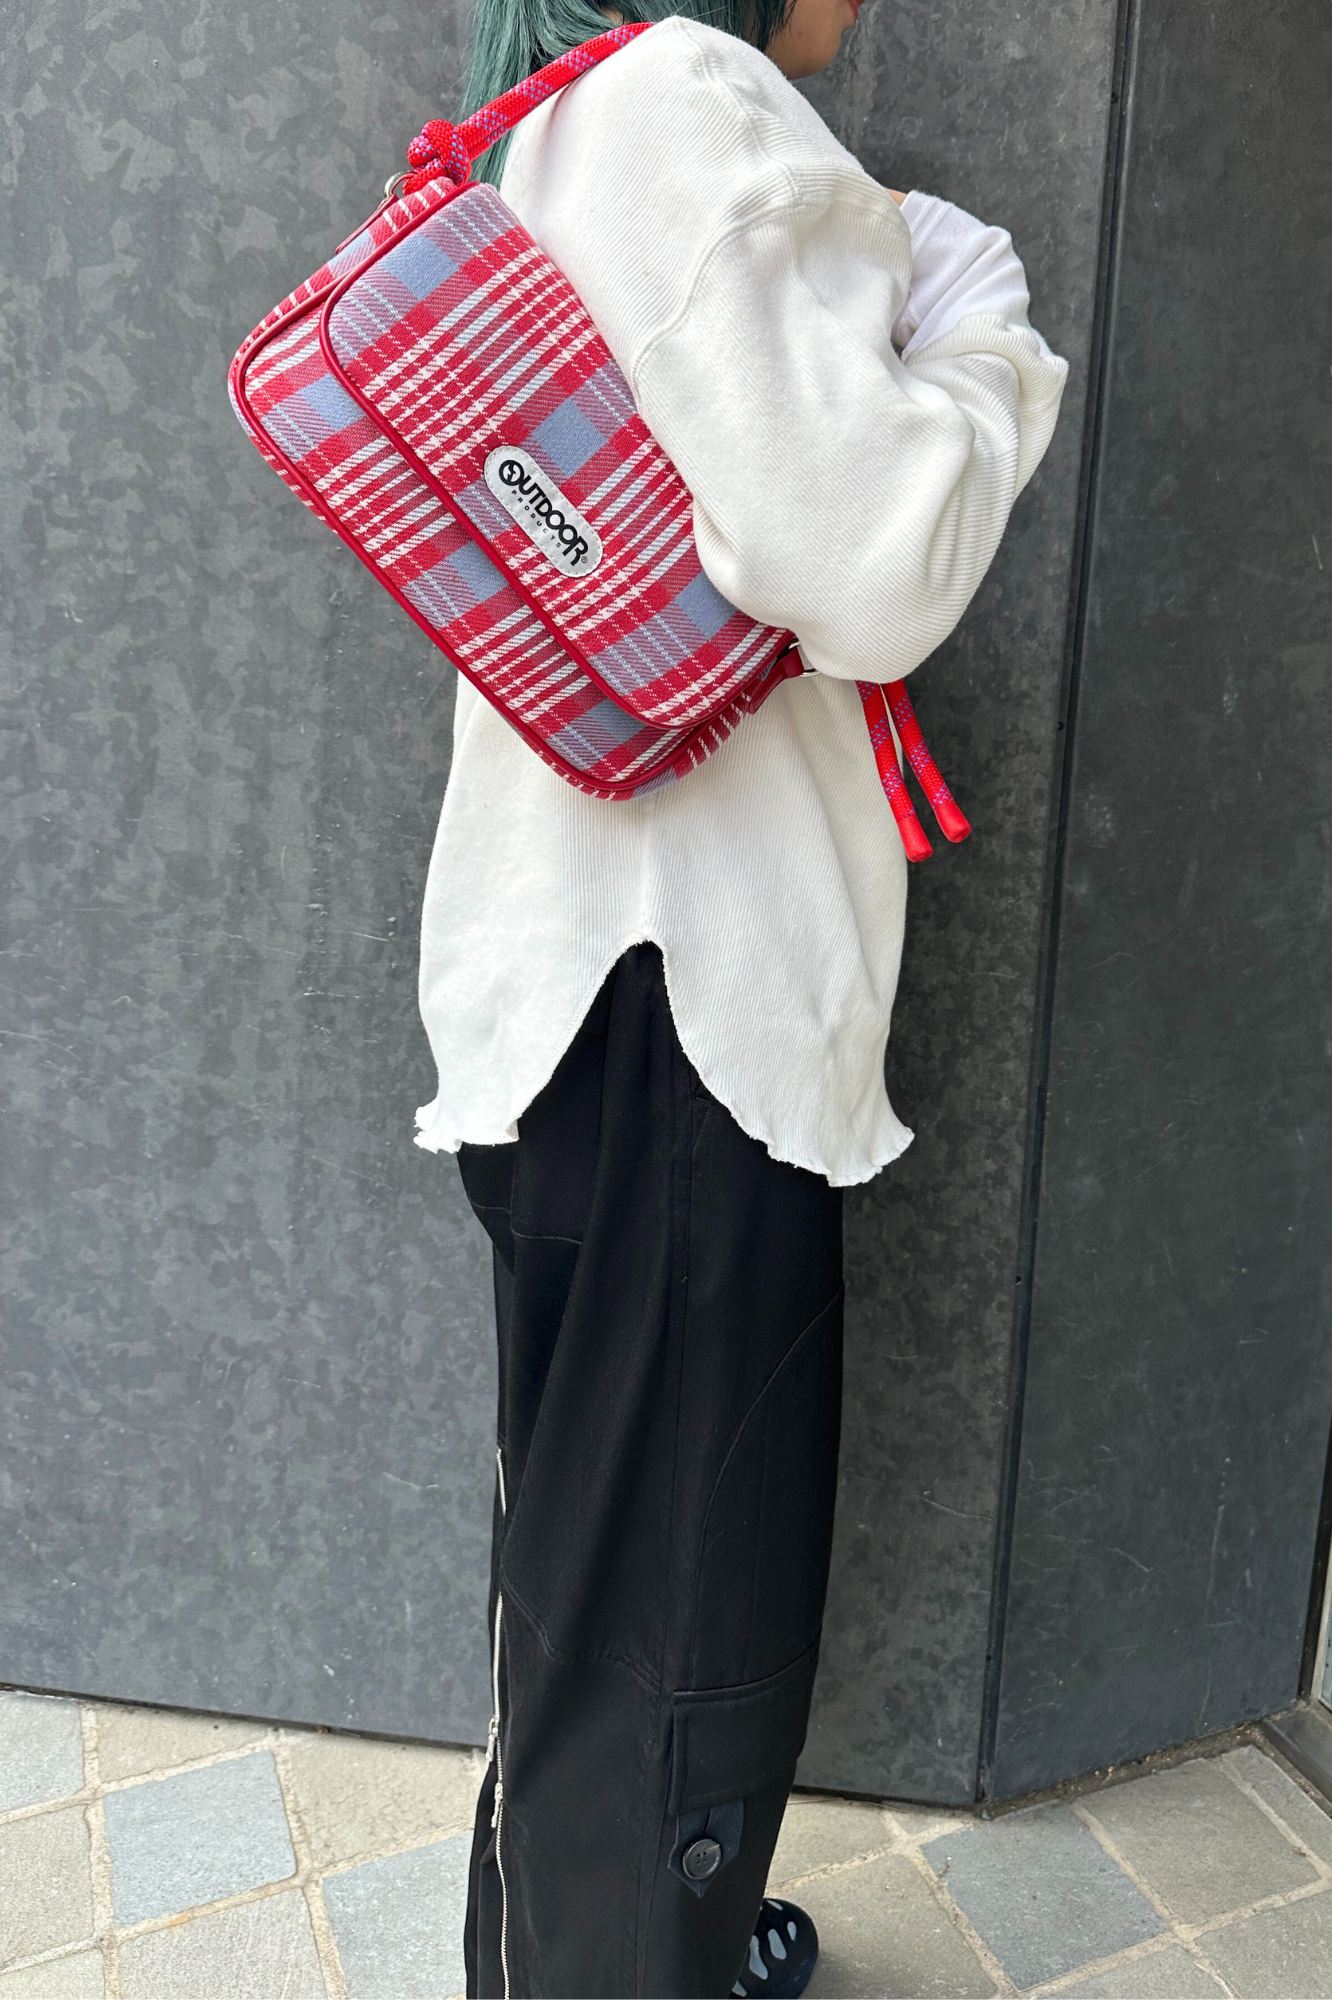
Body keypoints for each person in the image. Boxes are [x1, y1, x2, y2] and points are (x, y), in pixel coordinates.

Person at [412, 0, 1068, 1991]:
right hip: (681, 996)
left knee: (596, 1571)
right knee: (681, 1611)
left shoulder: (557, 115)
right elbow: (868, 562)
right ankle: (636, 1950)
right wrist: (980, 332)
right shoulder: (682, 101)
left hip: (591, 981)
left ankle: (597, 1942)